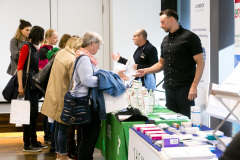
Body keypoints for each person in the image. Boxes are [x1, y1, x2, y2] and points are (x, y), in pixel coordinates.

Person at [135, 9, 205, 118]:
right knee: (171, 123)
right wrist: (145, 71)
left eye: (162, 22)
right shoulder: (165, 40)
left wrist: (194, 86)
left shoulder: (190, 37)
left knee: (185, 122)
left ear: (172, 19)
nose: (160, 25)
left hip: (185, 89)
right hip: (169, 89)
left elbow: (200, 63)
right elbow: (160, 64)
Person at [73, 32, 125, 160]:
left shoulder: (85, 57)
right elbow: (87, 80)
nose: (99, 48)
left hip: (88, 102)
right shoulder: (85, 58)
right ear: (92, 43)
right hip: (87, 103)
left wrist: (109, 76)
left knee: (89, 137)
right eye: (98, 45)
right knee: (89, 137)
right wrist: (105, 80)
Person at [41, 37, 81, 160]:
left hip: (54, 95)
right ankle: (63, 156)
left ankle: (59, 154)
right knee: (63, 129)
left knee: (58, 128)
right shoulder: (71, 59)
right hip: (63, 98)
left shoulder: (61, 53)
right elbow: (74, 82)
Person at [16, 26, 48, 152]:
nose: (42, 39)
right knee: (28, 115)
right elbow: (20, 68)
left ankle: (33, 141)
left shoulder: (34, 49)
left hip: (33, 85)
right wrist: (20, 86)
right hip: (27, 85)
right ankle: (27, 144)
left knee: (34, 114)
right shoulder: (26, 48)